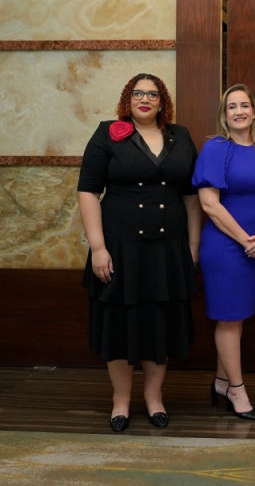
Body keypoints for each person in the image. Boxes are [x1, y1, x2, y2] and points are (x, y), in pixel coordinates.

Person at [77, 73, 201, 432]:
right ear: (127, 99)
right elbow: (88, 192)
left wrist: (192, 247)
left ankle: (154, 398)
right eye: (137, 94)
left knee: (159, 325)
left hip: (168, 248)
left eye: (152, 94)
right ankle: (120, 400)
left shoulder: (181, 136)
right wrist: (97, 248)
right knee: (118, 324)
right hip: (120, 247)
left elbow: (191, 197)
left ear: (162, 101)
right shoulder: (107, 132)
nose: (144, 99)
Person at [192, 83, 255, 421]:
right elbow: (209, 204)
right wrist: (245, 239)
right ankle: (237, 392)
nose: (239, 111)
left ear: (254, 112)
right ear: (224, 114)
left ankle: (221, 382)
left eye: (245, 105)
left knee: (237, 317)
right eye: (232, 107)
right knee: (228, 319)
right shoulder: (216, 148)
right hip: (227, 247)